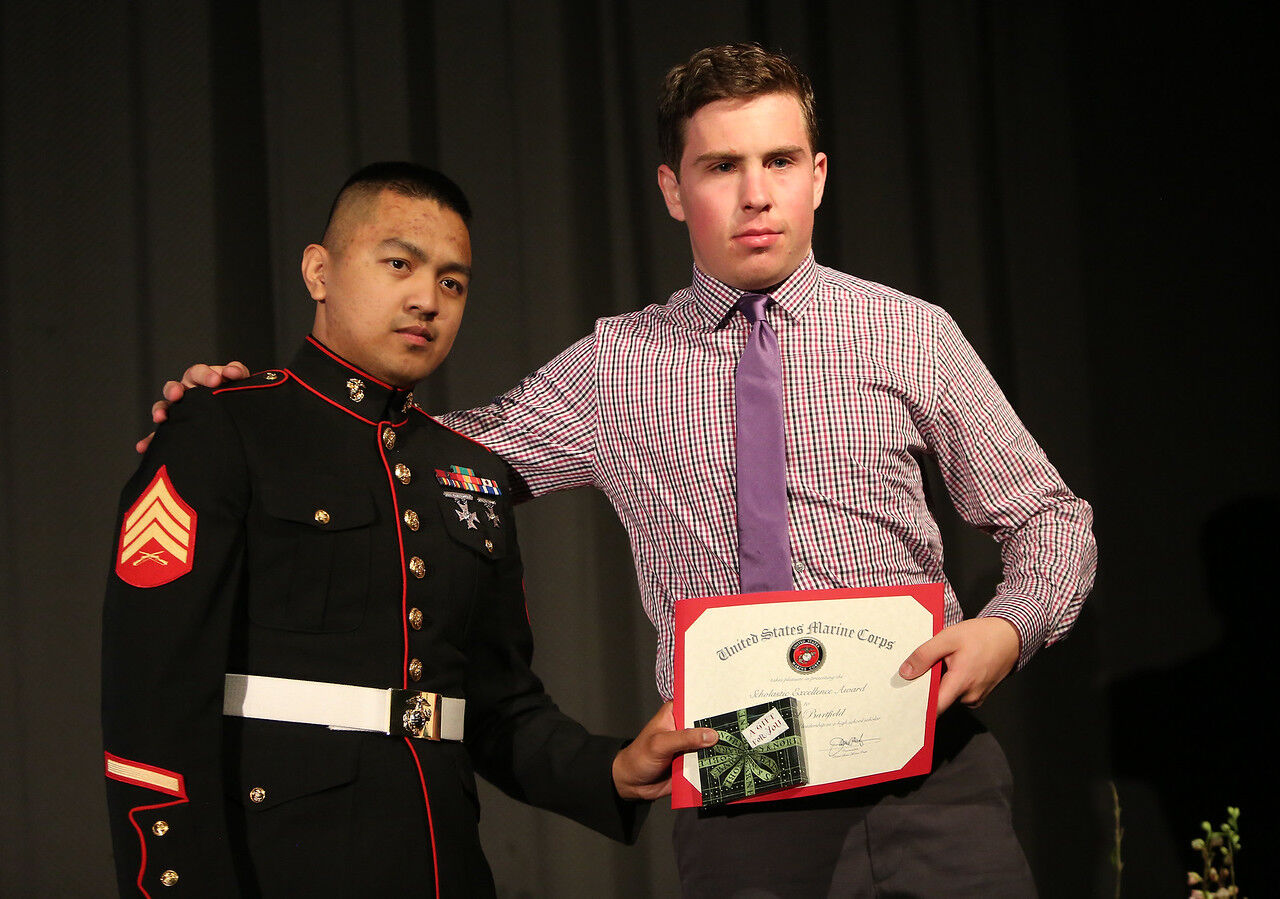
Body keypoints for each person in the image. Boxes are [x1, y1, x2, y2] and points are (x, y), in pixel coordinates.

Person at [149, 44, 1097, 896]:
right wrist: (261, 408)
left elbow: (1049, 519)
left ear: (817, 177)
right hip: (742, 772)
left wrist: (1006, 633)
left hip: (924, 761)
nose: (754, 193)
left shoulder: (910, 332)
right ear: (674, 189)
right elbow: (431, 460)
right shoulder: (618, 364)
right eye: (721, 166)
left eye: (777, 162)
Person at [104, 162, 714, 898]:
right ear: (319, 271)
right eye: (399, 264)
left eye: (453, 282)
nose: (427, 299)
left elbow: (499, 706)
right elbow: (155, 697)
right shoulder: (224, 426)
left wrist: (610, 768)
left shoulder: (468, 472)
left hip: (440, 861)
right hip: (275, 864)